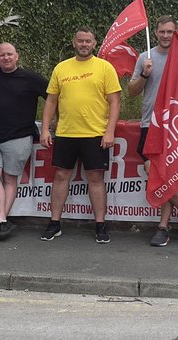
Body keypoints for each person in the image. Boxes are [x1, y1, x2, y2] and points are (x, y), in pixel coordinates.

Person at [40, 27, 122, 244]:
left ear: (94, 43)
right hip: (66, 132)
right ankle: (54, 223)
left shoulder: (105, 68)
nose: (84, 44)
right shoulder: (61, 68)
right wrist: (45, 128)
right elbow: (51, 100)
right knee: (60, 177)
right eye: (80, 41)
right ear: (74, 42)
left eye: (88, 41)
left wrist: (110, 131)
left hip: (95, 133)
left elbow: (115, 101)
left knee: (96, 179)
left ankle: (100, 225)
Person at [128, 16, 178, 247]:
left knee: (167, 174)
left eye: (170, 31)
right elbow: (132, 91)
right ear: (156, 33)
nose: (166, 35)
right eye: (162, 32)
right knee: (154, 169)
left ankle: (163, 227)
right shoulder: (144, 58)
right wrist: (146, 74)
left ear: (176, 33)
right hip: (152, 125)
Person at [0, 42, 48, 241]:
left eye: (9, 54)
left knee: (10, 178)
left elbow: (54, 97)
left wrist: (52, 121)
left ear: (17, 56)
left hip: (19, 136)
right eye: (2, 55)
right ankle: (2, 221)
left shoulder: (32, 78)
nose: (6, 58)